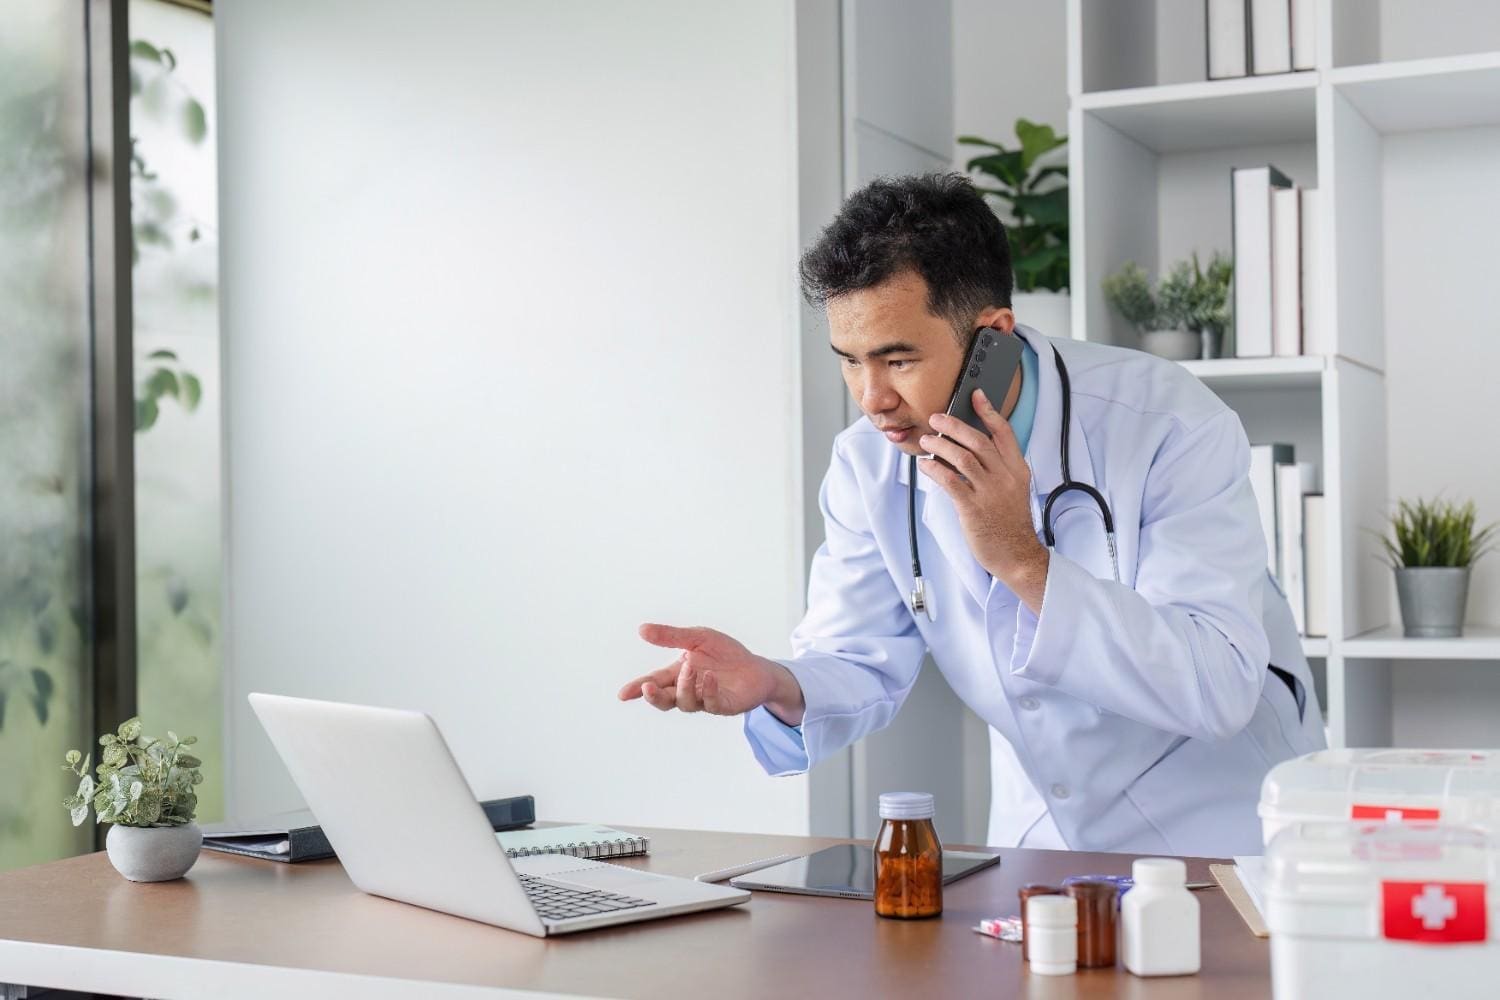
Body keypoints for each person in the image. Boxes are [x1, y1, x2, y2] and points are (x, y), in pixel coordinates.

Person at [618, 173, 1324, 856]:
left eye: (897, 360)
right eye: (850, 361)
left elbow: (1218, 684)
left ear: (994, 335)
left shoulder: (1167, 423)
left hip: (1217, 828)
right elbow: (860, 659)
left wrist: (1023, 559)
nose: (871, 397)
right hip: (1041, 835)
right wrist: (774, 680)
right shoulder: (870, 462)